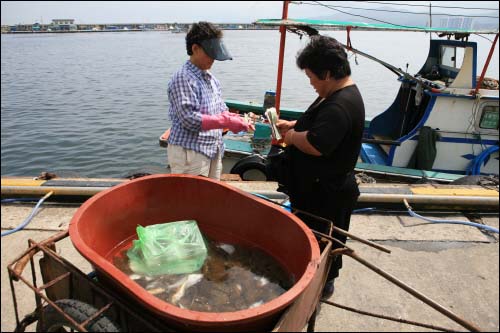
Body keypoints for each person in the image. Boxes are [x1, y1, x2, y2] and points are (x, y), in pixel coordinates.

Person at [276, 35, 365, 299]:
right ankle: (315, 279)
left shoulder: (340, 105)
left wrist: (291, 138)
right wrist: (294, 125)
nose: (311, 83)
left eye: (312, 77)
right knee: (316, 239)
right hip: (318, 190)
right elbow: (320, 126)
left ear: (327, 74)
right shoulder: (336, 94)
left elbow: (316, 143)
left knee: (324, 243)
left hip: (327, 195)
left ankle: (321, 286)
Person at [166, 21, 253, 180]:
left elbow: (221, 109)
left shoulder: (211, 79)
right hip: (190, 152)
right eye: (210, 53)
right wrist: (225, 121)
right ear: (195, 48)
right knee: (191, 199)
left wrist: (236, 120)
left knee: (210, 199)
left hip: (213, 149)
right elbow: (190, 120)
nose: (213, 58)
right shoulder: (183, 78)